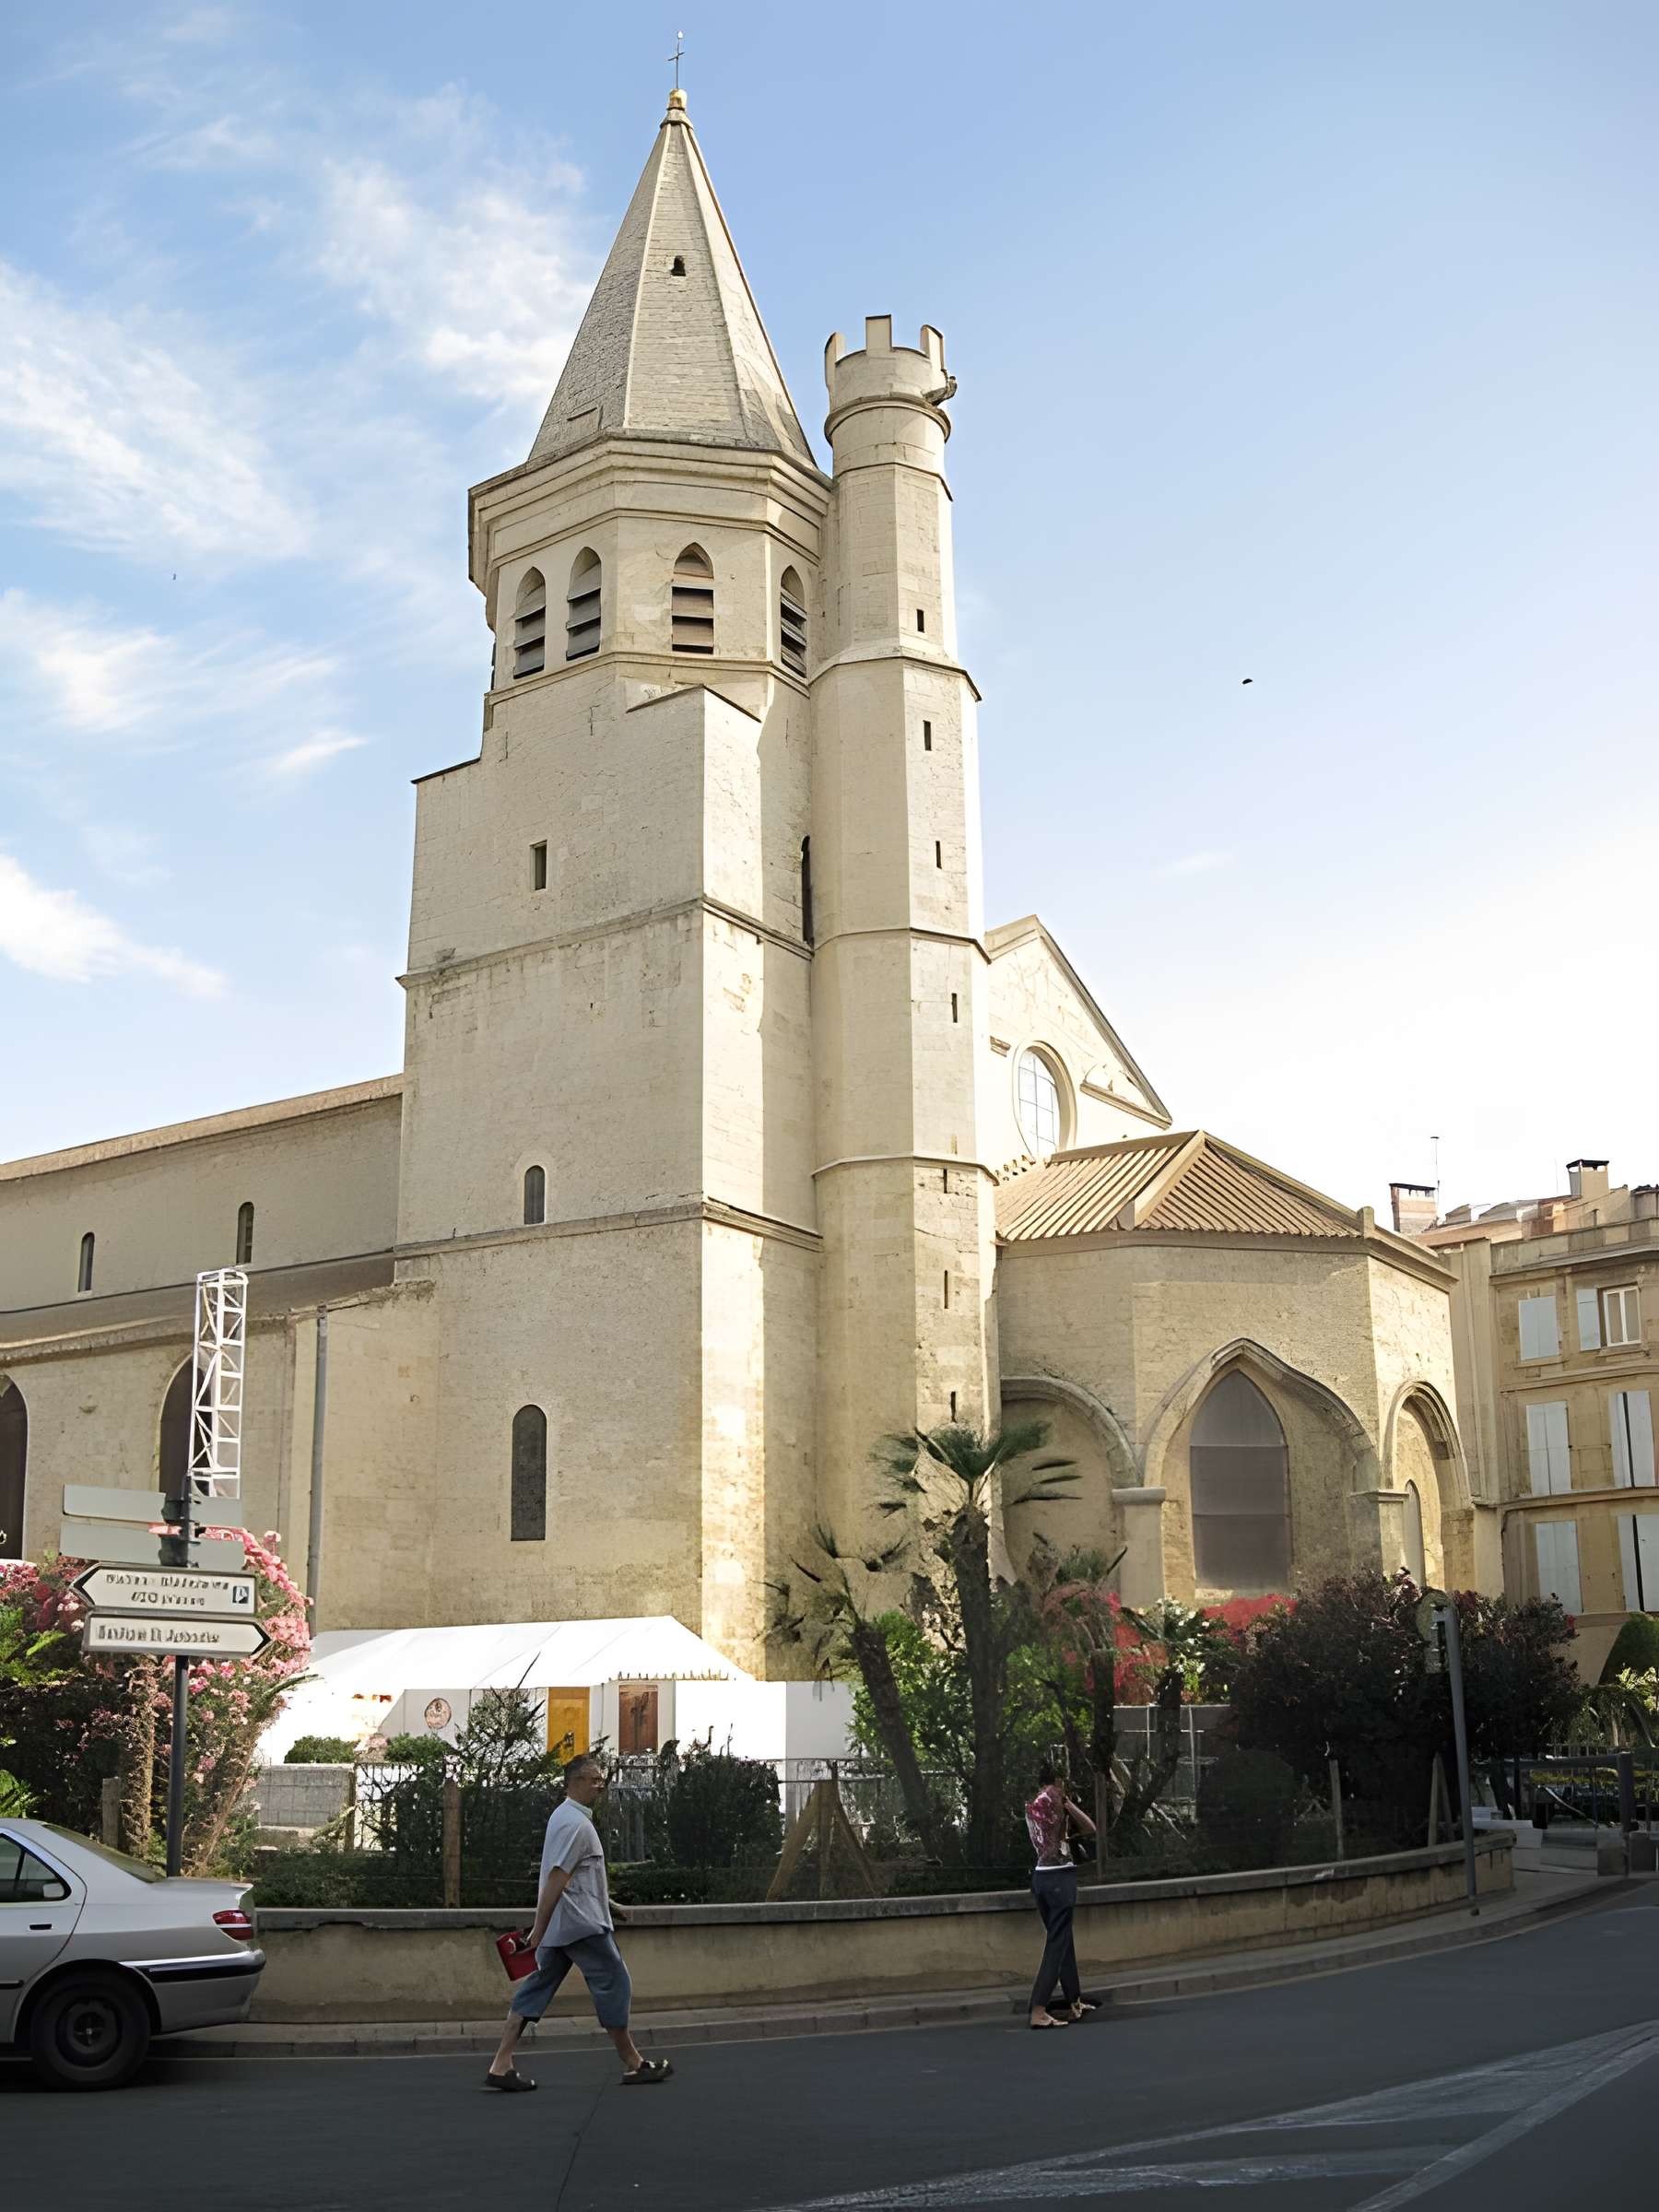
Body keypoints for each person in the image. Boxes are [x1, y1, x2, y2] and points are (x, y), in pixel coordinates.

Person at [486, 1751, 673, 2092]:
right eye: (596, 1780)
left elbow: (575, 1877)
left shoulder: (563, 1817)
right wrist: (538, 1932)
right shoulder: (576, 1825)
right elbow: (558, 1877)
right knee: (616, 1982)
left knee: (536, 1987)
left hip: (564, 1924)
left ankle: (501, 2064)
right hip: (581, 1926)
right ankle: (634, 2063)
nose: (601, 1787)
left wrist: (610, 1904)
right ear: (578, 1782)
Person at [1024, 1759, 1098, 2030]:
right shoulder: (1056, 1798)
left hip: (1040, 1877)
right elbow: (1090, 1828)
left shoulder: (1034, 1803)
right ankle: (1039, 2009)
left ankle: (1074, 2001)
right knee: (1057, 1944)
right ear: (1057, 1780)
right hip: (1060, 1878)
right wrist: (1067, 1803)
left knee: (1062, 1938)